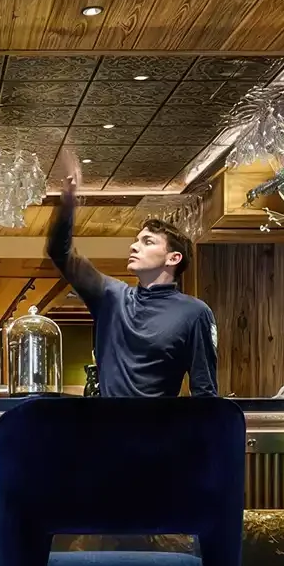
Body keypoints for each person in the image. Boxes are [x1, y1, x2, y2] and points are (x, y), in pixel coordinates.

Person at [47, 169, 218, 397]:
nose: (134, 246)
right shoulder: (111, 297)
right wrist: (66, 204)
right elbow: (60, 252)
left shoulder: (195, 313)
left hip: (159, 431)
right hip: (107, 430)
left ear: (173, 258)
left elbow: (204, 392)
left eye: (147, 242)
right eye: (136, 241)